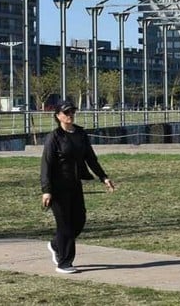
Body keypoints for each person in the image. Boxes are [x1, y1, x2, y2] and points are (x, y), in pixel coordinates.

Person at [40, 100, 116, 274]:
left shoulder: (80, 134)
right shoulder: (54, 137)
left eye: (72, 112)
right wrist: (46, 190)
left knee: (79, 221)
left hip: (74, 185)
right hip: (57, 188)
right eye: (66, 113)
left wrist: (103, 177)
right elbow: (46, 165)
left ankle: (55, 244)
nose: (70, 115)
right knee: (65, 225)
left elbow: (91, 158)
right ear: (58, 116)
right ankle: (64, 263)